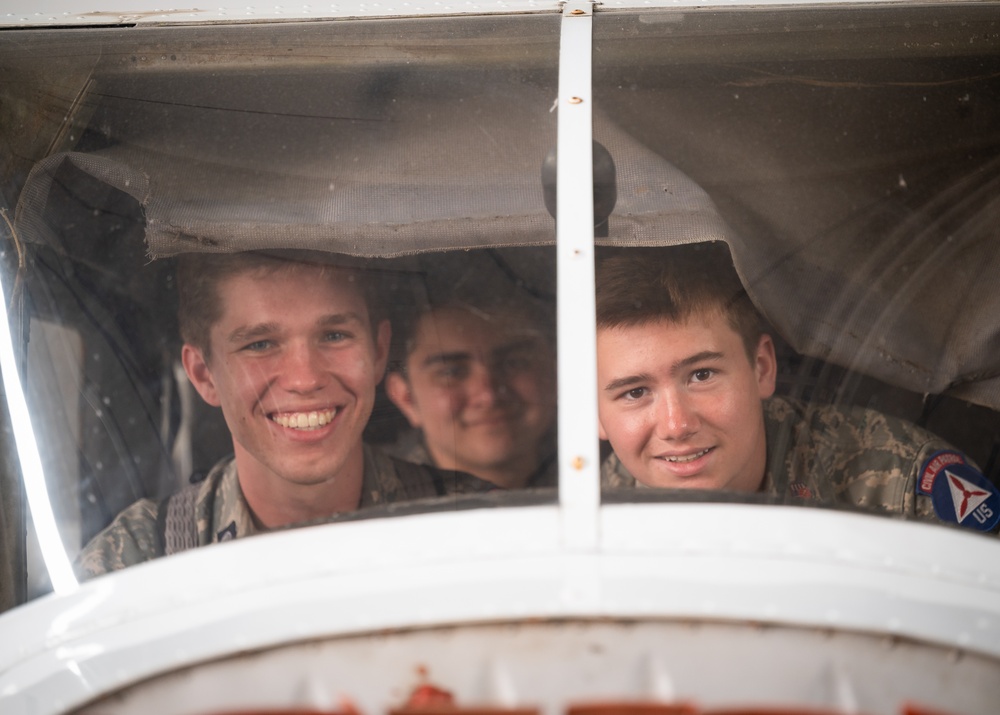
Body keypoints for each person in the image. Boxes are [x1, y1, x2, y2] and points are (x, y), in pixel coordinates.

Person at [77, 251, 491, 577]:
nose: (305, 379)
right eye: (260, 344)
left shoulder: (483, 528)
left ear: (379, 352)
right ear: (204, 375)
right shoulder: (134, 563)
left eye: (334, 336)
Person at [595, 242, 1000, 534]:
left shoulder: (899, 488)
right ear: (590, 412)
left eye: (701, 375)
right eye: (634, 393)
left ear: (762, 369)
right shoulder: (593, 512)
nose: (676, 425)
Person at [384, 297, 557, 490]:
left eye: (513, 363)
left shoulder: (590, 476)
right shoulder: (368, 505)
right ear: (406, 398)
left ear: (555, 371)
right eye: (451, 373)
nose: (488, 396)